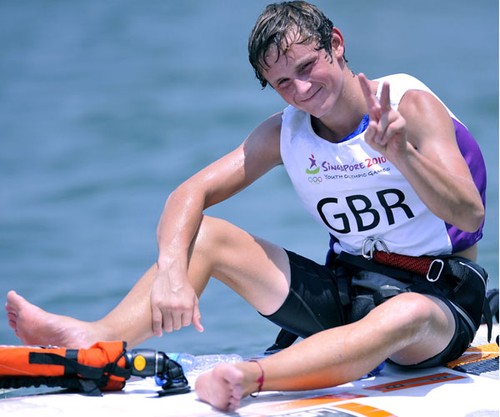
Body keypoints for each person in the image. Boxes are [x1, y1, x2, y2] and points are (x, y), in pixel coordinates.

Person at [6, 1, 489, 412]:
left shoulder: (408, 106)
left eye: (306, 68)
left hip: (439, 301)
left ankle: (252, 377)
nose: (300, 91)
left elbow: (469, 214)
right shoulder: (285, 133)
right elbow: (188, 194)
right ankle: (97, 340)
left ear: (336, 44)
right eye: (281, 82)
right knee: (208, 234)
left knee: (404, 313)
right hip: (351, 290)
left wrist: (402, 154)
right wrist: (173, 273)